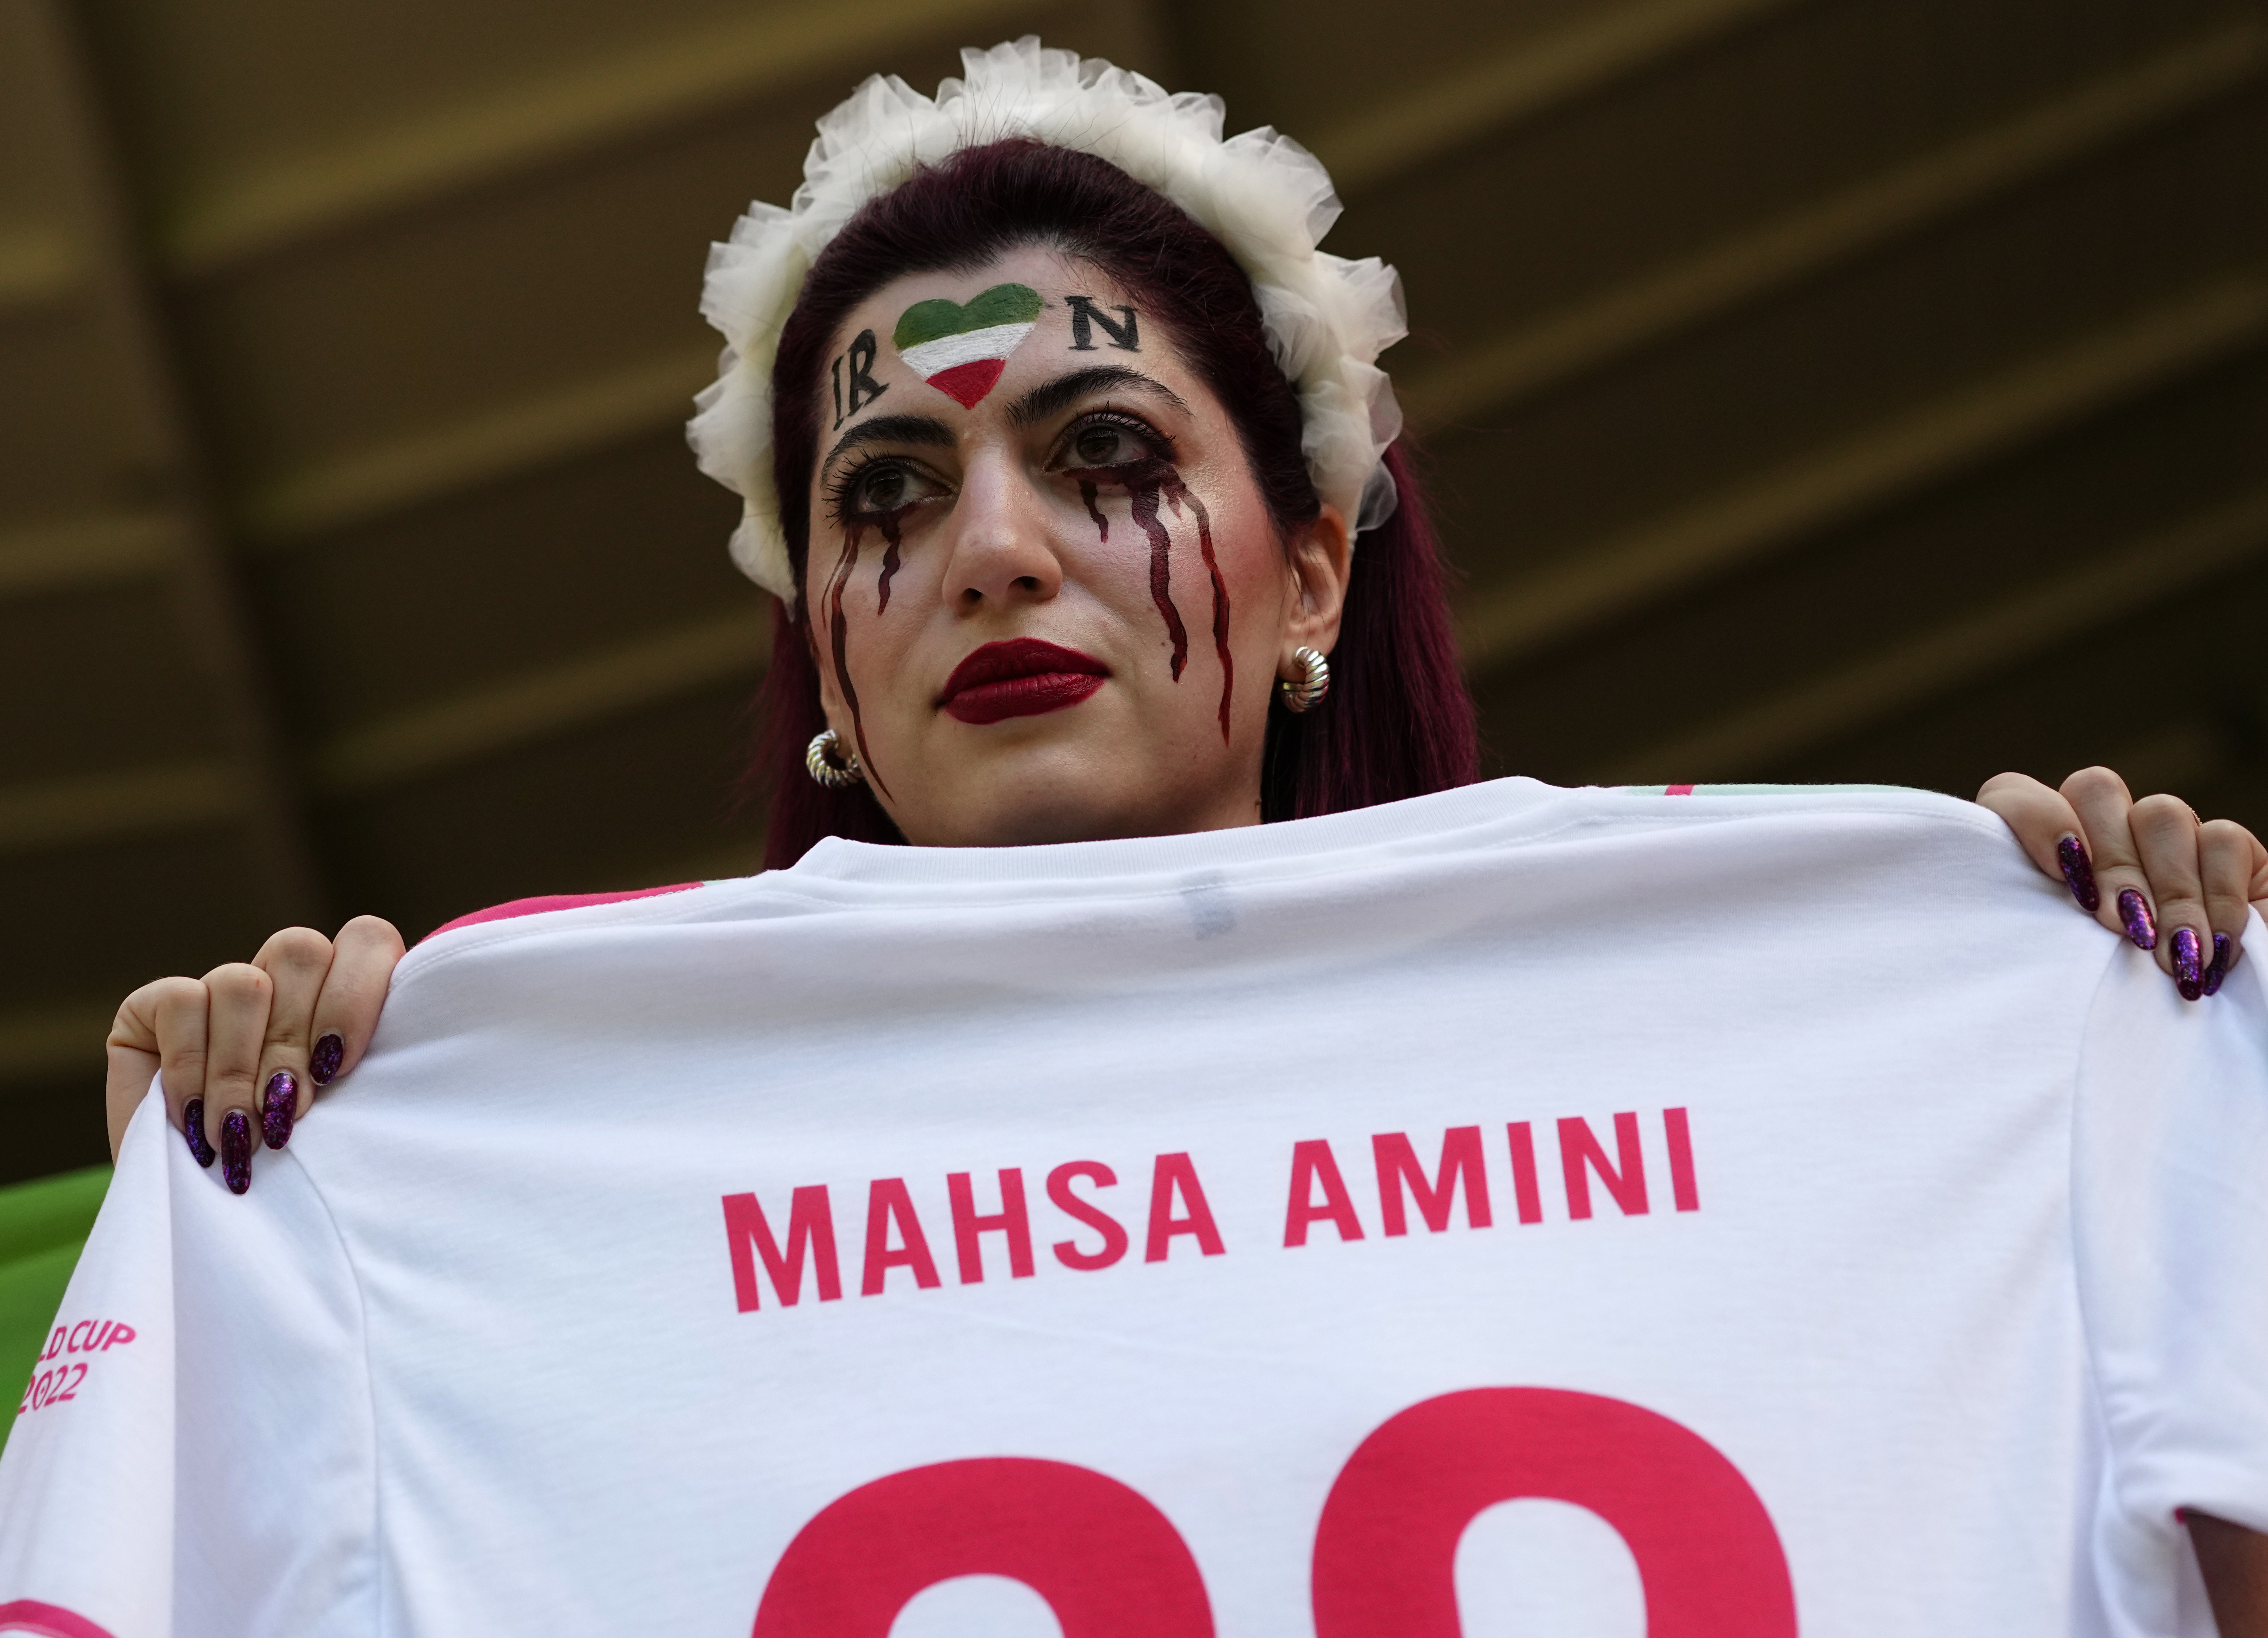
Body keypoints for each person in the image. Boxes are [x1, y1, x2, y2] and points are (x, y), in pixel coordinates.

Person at [63, 40, 2268, 1632]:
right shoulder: (439, 1126)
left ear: (1313, 566)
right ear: (824, 652)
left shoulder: (1917, 987)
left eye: (1100, 447)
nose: (995, 553)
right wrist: (258, 1209)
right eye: (888, 500)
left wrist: (2082, 1009)